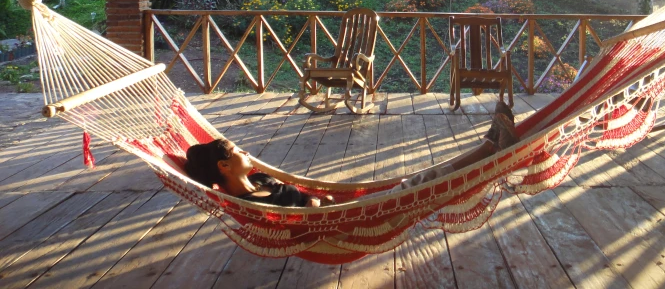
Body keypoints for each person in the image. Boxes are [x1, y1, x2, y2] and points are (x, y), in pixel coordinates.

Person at [183, 101, 519, 207]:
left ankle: (489, 147)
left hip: (348, 208)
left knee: (417, 180)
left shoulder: (258, 179)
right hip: (350, 218)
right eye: (236, 151)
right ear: (224, 166)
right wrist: (320, 205)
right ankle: (491, 149)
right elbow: (296, 220)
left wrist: (321, 197)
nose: (245, 151)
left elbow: (298, 186)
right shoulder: (254, 203)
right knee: (422, 182)